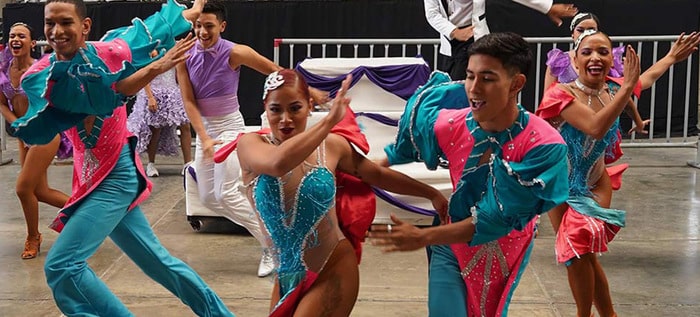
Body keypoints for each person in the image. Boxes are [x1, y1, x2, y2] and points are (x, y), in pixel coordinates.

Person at [11, 0, 236, 315]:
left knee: (62, 265)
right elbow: (37, 100)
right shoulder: (47, 73)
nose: (57, 31)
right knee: (159, 263)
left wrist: (192, 12)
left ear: (85, 26)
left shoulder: (110, 52)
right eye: (50, 23)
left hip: (117, 177)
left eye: (66, 22)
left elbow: (153, 33)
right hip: (91, 181)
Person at [369, 32, 570, 316]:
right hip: (449, 245)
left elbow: (494, 220)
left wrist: (423, 237)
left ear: (517, 84)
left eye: (487, 78)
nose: (474, 89)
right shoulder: (450, 124)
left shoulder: (543, 145)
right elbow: (395, 154)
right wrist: (346, 166)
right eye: (470, 76)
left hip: (504, 249)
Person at [236, 69, 448, 316]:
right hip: (287, 277)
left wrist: (430, 193)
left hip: (333, 266)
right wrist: (328, 122)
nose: (285, 119)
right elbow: (278, 164)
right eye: (276, 110)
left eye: (295, 108)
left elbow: (375, 174)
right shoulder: (250, 146)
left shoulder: (333, 146)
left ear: (309, 106)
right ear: (265, 108)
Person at [536, 30, 700, 317]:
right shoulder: (559, 96)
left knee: (577, 244)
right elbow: (595, 126)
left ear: (612, 59)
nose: (595, 57)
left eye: (602, 51)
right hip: (559, 186)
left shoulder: (613, 89)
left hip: (596, 182)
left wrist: (672, 57)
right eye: (586, 52)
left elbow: (645, 79)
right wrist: (627, 88)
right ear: (574, 59)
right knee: (581, 254)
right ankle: (609, 314)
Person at [176, 1, 324, 278]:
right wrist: (204, 137)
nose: (202, 32)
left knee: (227, 192)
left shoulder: (235, 51)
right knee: (209, 196)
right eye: (198, 26)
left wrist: (308, 91)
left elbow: (276, 71)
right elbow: (188, 100)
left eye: (209, 26)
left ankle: (273, 244)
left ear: (222, 26)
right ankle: (273, 234)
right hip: (205, 130)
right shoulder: (185, 56)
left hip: (231, 127)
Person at [0, 22, 70, 259]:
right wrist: (16, 123)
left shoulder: (40, 68)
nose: (15, 39)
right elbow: (2, 102)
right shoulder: (4, 68)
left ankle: (33, 237)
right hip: (24, 135)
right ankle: (90, 214)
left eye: (21, 35)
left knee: (22, 188)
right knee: (39, 191)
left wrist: (32, 123)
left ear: (32, 43)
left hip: (44, 133)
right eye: (12, 36)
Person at [424, 0, 578, 80]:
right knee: (447, 88)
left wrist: (547, 7)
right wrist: (454, 32)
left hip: (474, 38)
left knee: (466, 89)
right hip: (450, 42)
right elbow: (432, 14)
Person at [127, 49, 193, 177]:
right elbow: (145, 74)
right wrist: (150, 97)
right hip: (155, 92)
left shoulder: (175, 48)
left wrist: (184, 92)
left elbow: (179, 73)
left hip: (172, 92)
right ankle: (151, 164)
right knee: (156, 129)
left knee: (185, 125)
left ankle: (187, 164)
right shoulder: (153, 50)